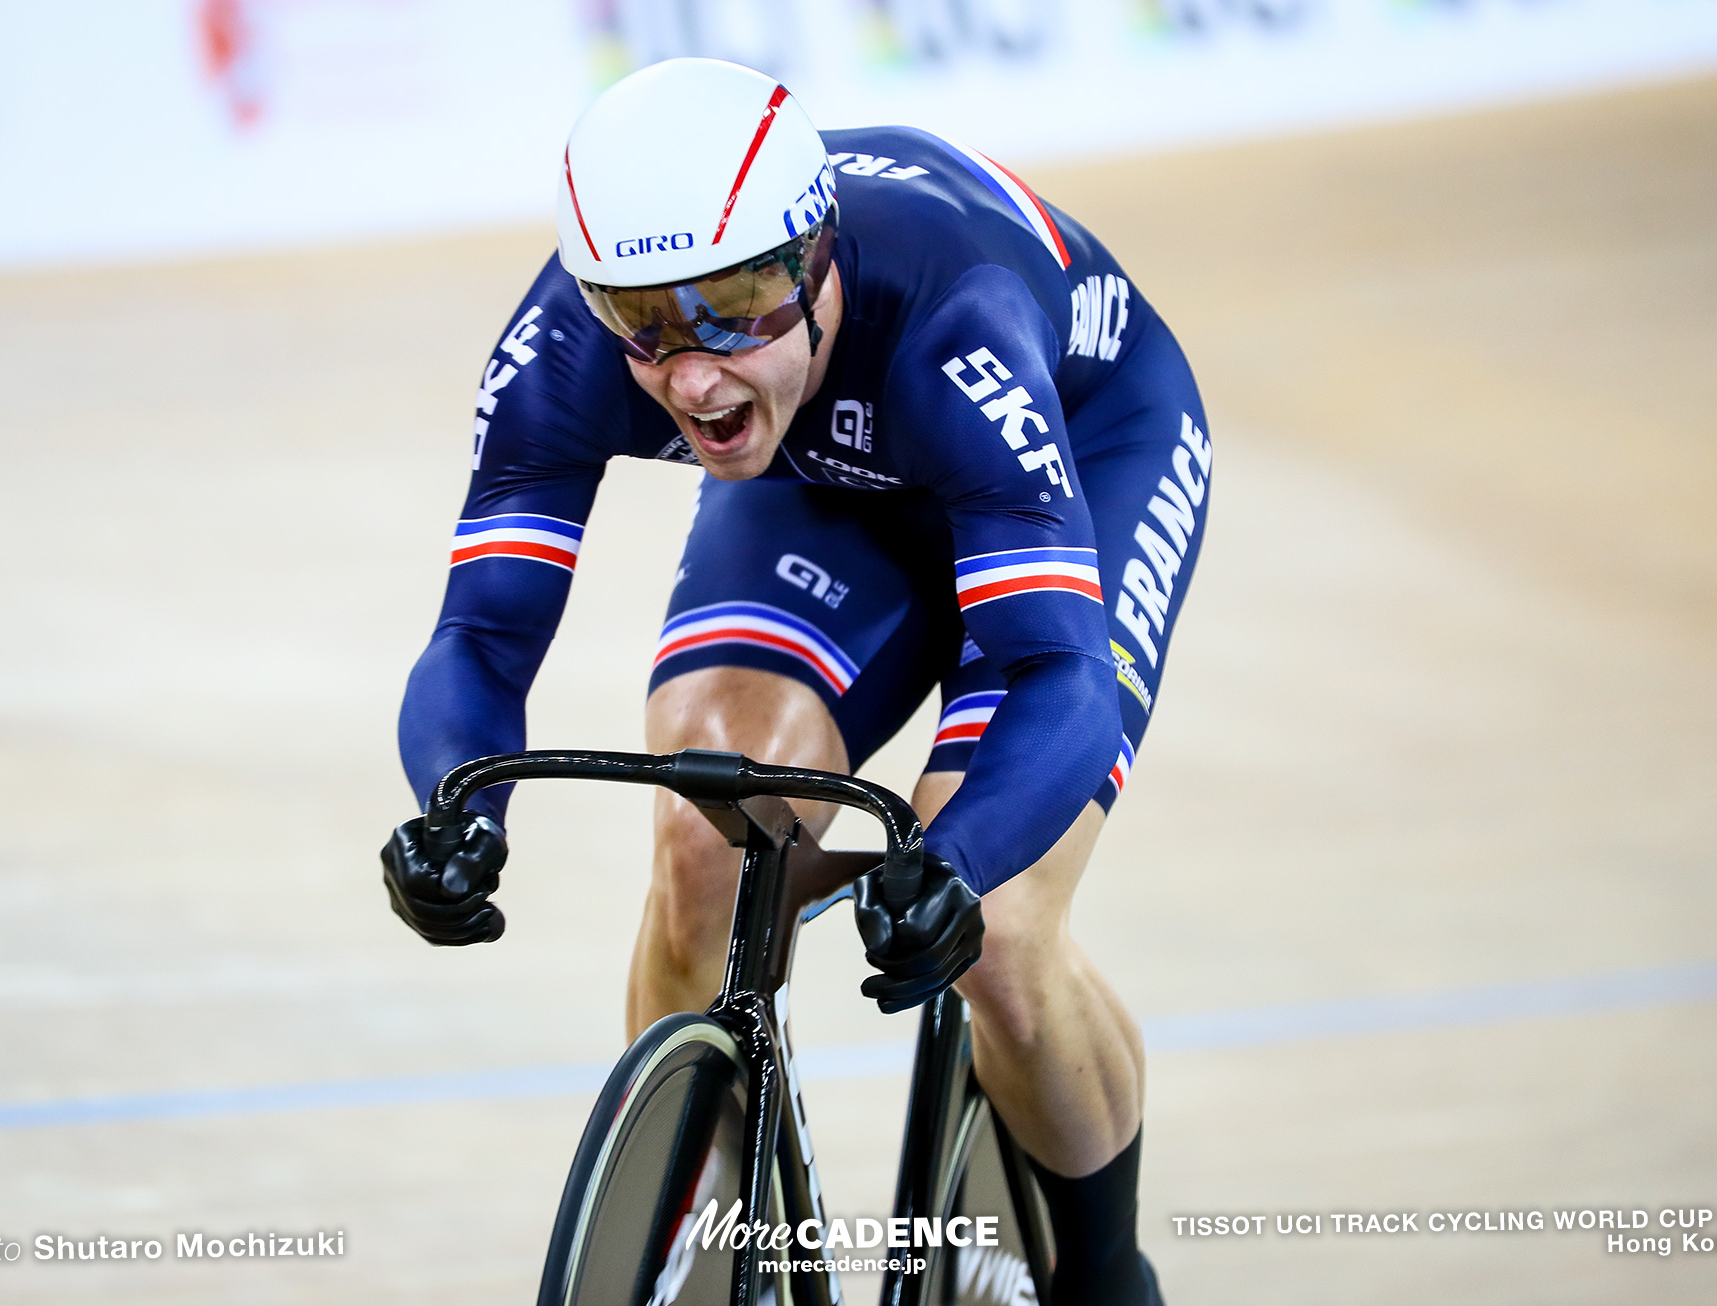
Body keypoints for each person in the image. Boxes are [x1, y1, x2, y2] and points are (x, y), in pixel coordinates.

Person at [382, 57, 1209, 1305]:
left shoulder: (953, 321)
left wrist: (959, 863)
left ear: (816, 259)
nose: (694, 373)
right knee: (705, 849)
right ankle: (713, 1249)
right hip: (831, 475)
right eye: (646, 323)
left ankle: (1103, 1279)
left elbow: (1059, 680)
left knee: (999, 932)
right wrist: (460, 806)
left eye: (735, 304)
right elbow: (481, 639)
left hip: (1080, 441)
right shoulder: (571, 341)